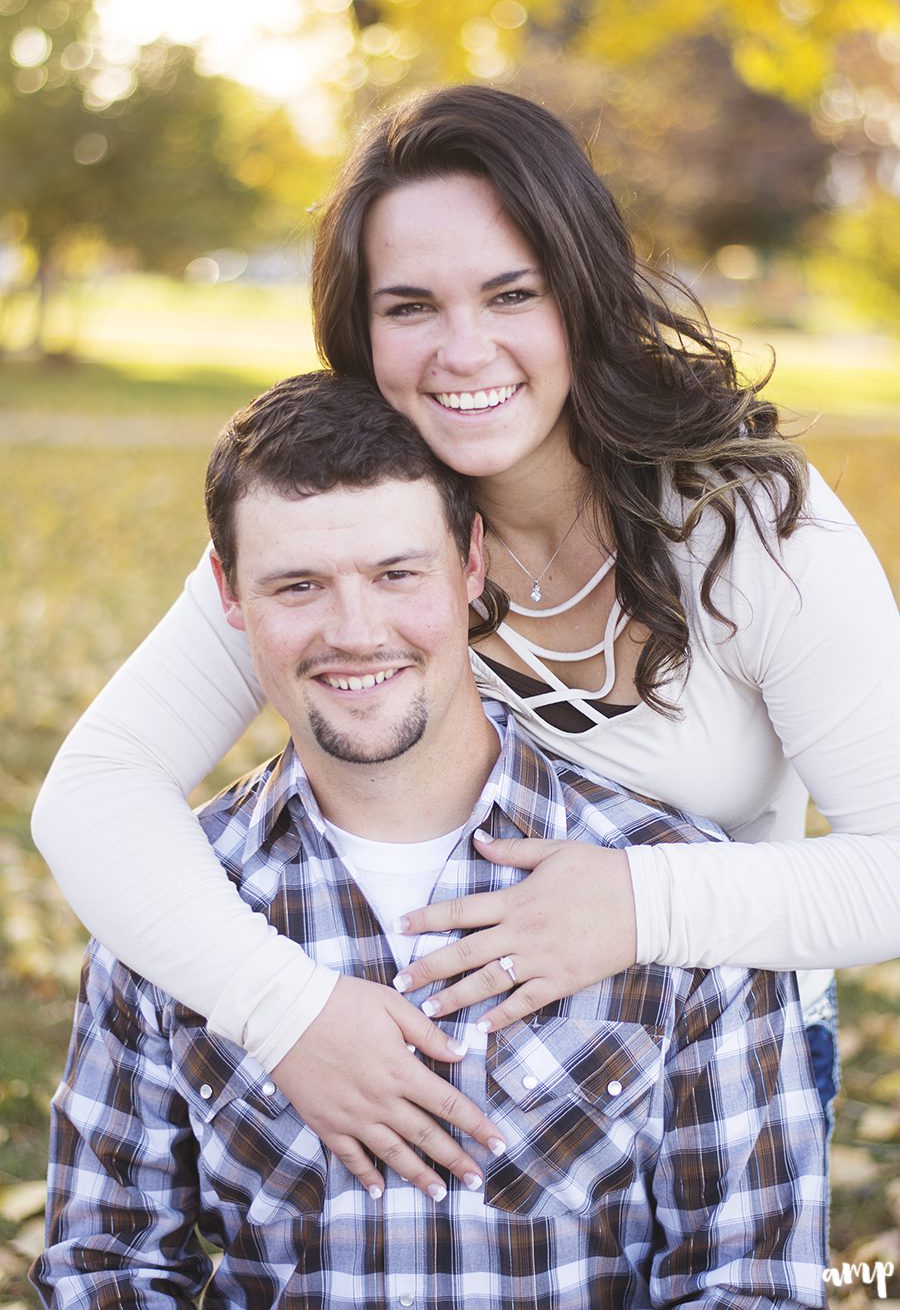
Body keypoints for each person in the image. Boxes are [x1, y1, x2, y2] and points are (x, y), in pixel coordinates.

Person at [31, 86, 900, 1200]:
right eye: (410, 307)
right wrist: (288, 1012)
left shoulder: (750, 529)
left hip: (697, 1076)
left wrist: (640, 902)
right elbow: (94, 792)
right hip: (384, 1060)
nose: (463, 350)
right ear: (360, 327)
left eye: (510, 293)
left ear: (582, 294)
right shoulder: (357, 517)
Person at [33, 374, 827, 1309]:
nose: (355, 632)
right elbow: (108, 1265)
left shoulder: (676, 887)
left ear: (472, 562)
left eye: (397, 573)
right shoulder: (170, 896)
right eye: (298, 586)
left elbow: (754, 1282)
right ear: (228, 593)